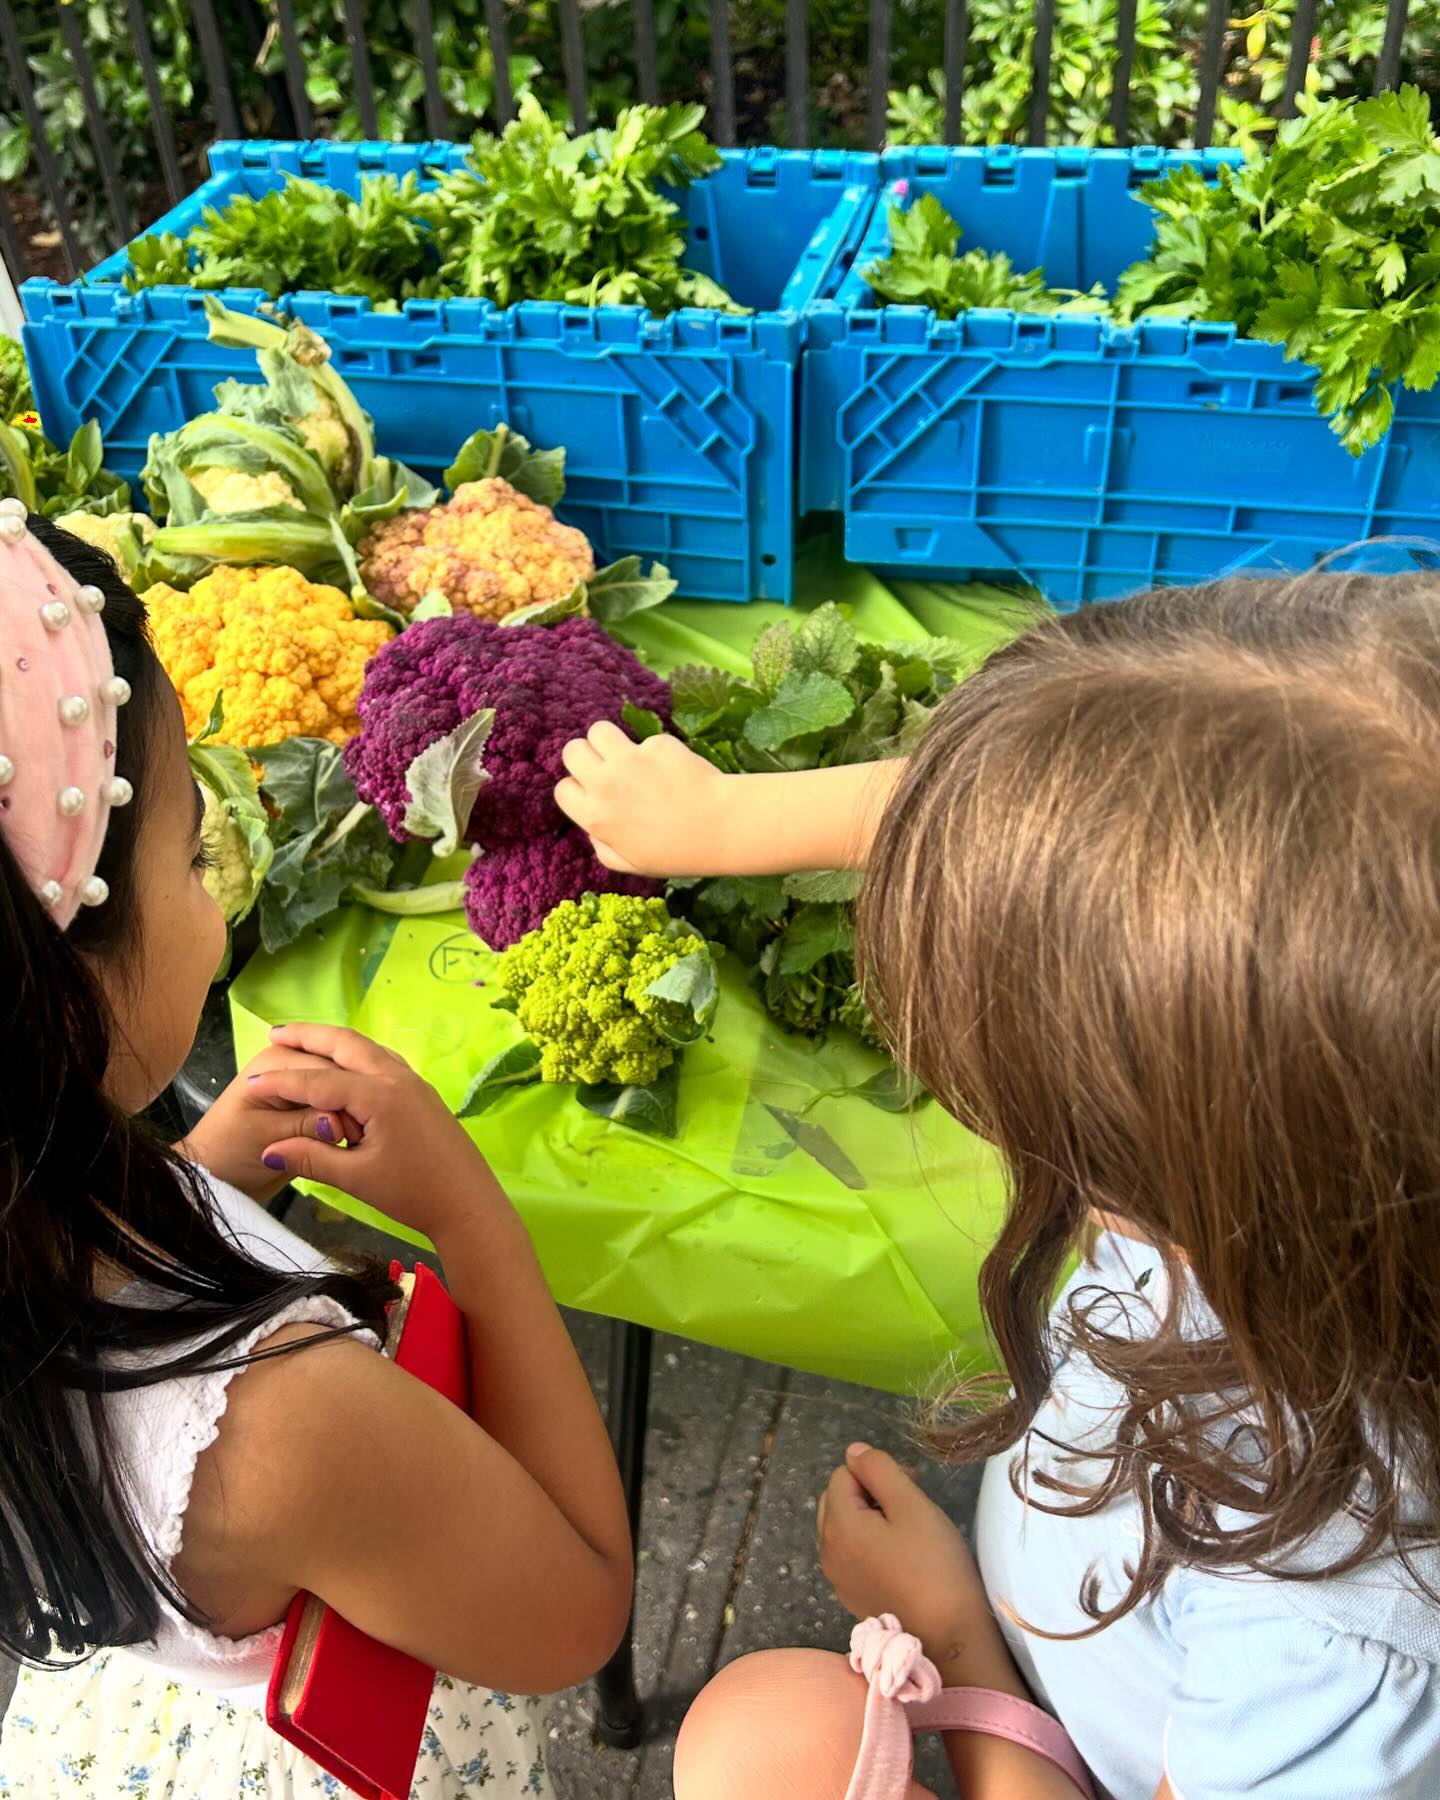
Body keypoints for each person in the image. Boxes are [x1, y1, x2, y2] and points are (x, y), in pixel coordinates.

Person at [556, 570, 1440, 1800]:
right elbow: (1061, 831)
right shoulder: (1290, 1190)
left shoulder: (1338, 1658)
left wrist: (961, 1640)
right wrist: (728, 821)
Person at [0, 510, 631, 1797]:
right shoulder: (283, 1424)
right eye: (187, 855)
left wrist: (194, 1183)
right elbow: (579, 1610)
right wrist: (473, 1217)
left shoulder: (37, 1221)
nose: (218, 898)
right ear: (57, 996)